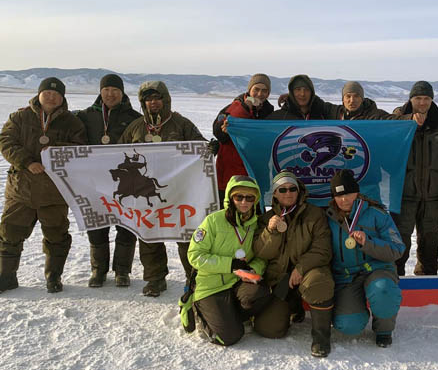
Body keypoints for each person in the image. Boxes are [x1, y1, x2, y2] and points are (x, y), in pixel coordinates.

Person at [119, 81, 207, 296]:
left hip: (179, 191)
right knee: (149, 235)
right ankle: (155, 279)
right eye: (148, 99)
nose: (153, 102)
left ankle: (193, 278)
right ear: (143, 102)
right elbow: (118, 151)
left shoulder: (181, 123)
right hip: (146, 192)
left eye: (157, 98)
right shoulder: (136, 127)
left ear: (165, 99)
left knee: (186, 236)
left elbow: (200, 145)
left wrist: (208, 147)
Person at [0, 77, 86, 293]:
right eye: (47, 92)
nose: (51, 96)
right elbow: (6, 141)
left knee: (57, 236)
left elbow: (80, 149)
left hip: (54, 192)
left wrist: (56, 151)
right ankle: (6, 277)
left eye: (56, 94)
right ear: (39, 94)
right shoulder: (20, 117)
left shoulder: (72, 123)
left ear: (62, 98)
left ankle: (53, 277)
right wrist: (28, 162)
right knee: (9, 234)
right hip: (22, 190)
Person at [252, 171, 334, 357]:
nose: (288, 193)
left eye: (292, 189)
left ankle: (321, 337)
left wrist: (300, 268)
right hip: (280, 279)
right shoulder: (266, 219)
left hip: (308, 272)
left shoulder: (315, 214)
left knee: (319, 284)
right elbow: (261, 253)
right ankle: (292, 306)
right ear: (274, 193)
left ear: (299, 191)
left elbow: (323, 250)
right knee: (269, 328)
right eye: (282, 189)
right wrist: (270, 232)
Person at [187, 175, 271, 346]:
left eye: (249, 197)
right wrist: (230, 264)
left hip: (236, 283)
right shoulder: (213, 221)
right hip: (211, 286)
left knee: (262, 293)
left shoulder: (255, 224)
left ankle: (229, 316)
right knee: (230, 337)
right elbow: (195, 255)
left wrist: (253, 269)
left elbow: (262, 257)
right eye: (239, 197)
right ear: (230, 198)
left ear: (255, 200)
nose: (244, 202)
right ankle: (198, 309)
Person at [325, 169, 404, 347]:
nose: (344, 199)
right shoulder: (328, 218)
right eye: (339, 195)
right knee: (348, 326)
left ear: (357, 192)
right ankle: (358, 309)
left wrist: (368, 242)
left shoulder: (377, 214)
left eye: (348, 193)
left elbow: (397, 248)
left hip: (378, 270)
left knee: (383, 290)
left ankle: (384, 329)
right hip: (346, 277)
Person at [76, 73, 141, 288]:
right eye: (106, 90)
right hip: (95, 182)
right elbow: (62, 125)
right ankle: (98, 270)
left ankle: (122, 271)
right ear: (100, 92)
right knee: (97, 226)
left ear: (122, 93)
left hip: (125, 182)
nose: (110, 94)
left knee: (126, 226)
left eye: (115, 90)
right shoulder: (86, 116)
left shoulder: (134, 117)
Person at [392, 81, 438, 276]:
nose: (422, 102)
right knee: (400, 239)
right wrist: (407, 121)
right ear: (411, 99)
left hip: (433, 196)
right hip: (405, 194)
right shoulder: (398, 122)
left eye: (426, 98)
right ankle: (395, 278)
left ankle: (426, 278)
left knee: (430, 240)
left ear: (432, 100)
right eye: (418, 98)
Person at [213, 74, 274, 208]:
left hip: (255, 172)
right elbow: (219, 133)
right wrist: (245, 108)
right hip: (230, 173)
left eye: (264, 91)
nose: (260, 94)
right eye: (256, 89)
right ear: (249, 90)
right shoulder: (233, 107)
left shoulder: (269, 114)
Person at [267, 74, 334, 120]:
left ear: (312, 93)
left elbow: (341, 111)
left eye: (307, 90)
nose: (302, 94)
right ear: (292, 93)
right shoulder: (279, 117)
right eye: (298, 89)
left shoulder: (323, 113)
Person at [328, 81, 393, 120]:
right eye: (348, 96)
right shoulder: (336, 112)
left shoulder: (374, 116)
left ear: (362, 99)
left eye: (356, 96)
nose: (352, 100)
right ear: (343, 99)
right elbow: (318, 103)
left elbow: (396, 121)